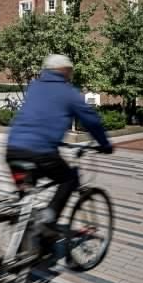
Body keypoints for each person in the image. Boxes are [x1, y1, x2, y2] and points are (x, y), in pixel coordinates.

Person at [6, 53, 113, 237]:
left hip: (12, 150)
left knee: (27, 193)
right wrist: (105, 144)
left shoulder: (34, 87)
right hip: (41, 152)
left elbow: (39, 117)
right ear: (65, 71)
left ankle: (27, 237)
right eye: (70, 71)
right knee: (68, 178)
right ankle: (48, 219)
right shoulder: (68, 93)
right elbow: (92, 121)